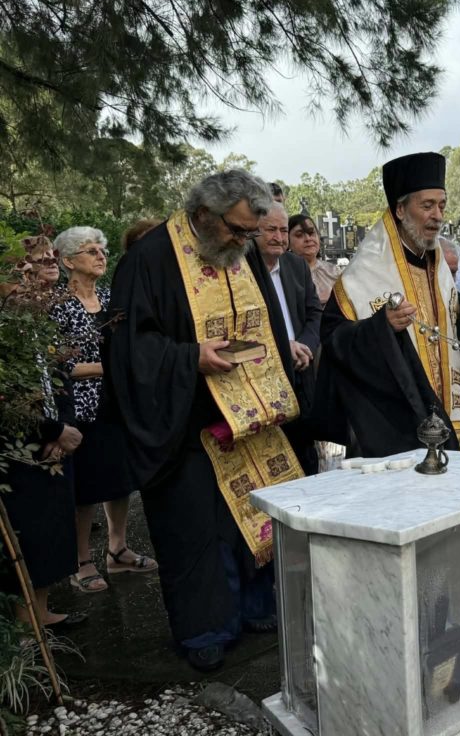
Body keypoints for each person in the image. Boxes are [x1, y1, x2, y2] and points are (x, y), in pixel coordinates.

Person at [106, 169, 303, 672]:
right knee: (197, 531)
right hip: (185, 422)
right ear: (201, 215)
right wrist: (190, 357)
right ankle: (205, 629)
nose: (242, 241)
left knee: (252, 519)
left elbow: (270, 328)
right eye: (235, 230)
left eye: (248, 232)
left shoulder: (242, 255)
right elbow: (130, 350)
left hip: (249, 417)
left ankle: (257, 607)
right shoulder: (149, 259)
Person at [315, 152, 460, 457]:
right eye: (427, 206)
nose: (437, 215)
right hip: (396, 423)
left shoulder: (437, 263)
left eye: (441, 205)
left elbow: (452, 335)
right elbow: (334, 340)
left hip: (452, 416)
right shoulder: (364, 273)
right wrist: (381, 327)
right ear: (400, 209)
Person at [51, 227, 157, 596]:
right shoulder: (56, 305)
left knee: (119, 480)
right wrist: (108, 368)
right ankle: (81, 562)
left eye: (102, 250)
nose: (100, 255)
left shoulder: (112, 299)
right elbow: (55, 366)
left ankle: (117, 549)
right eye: (90, 250)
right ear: (68, 262)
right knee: (86, 489)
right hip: (80, 409)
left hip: (117, 404)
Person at [0, 237, 84, 629]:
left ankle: (42, 611)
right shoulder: (7, 324)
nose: (50, 265)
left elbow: (60, 377)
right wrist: (50, 431)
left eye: (53, 258)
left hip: (54, 443)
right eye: (40, 260)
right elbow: (9, 396)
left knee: (53, 528)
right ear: (19, 269)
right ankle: (23, 623)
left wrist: (63, 430)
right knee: (27, 533)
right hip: (21, 448)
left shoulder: (41, 320)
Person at [256, 203, 323, 475]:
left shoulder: (295, 265)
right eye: (270, 229)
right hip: (266, 383)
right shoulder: (243, 270)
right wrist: (284, 348)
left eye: (283, 230)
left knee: (306, 461)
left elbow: (313, 311)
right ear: (253, 231)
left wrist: (304, 345)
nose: (279, 237)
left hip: (301, 375)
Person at [287, 214, 341, 306]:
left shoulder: (334, 272)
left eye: (311, 233)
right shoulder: (285, 275)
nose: (308, 239)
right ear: (287, 241)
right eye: (299, 235)